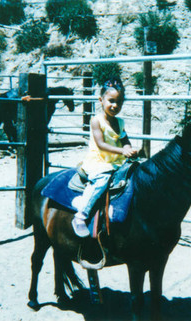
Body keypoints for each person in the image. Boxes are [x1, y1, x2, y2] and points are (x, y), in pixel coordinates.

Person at [71, 77, 138, 237]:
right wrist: (122, 151)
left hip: (116, 160)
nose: (115, 106)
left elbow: (125, 140)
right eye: (111, 101)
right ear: (101, 100)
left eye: (119, 102)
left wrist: (129, 148)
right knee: (102, 179)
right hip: (100, 160)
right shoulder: (96, 121)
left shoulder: (120, 122)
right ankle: (81, 215)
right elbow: (101, 144)